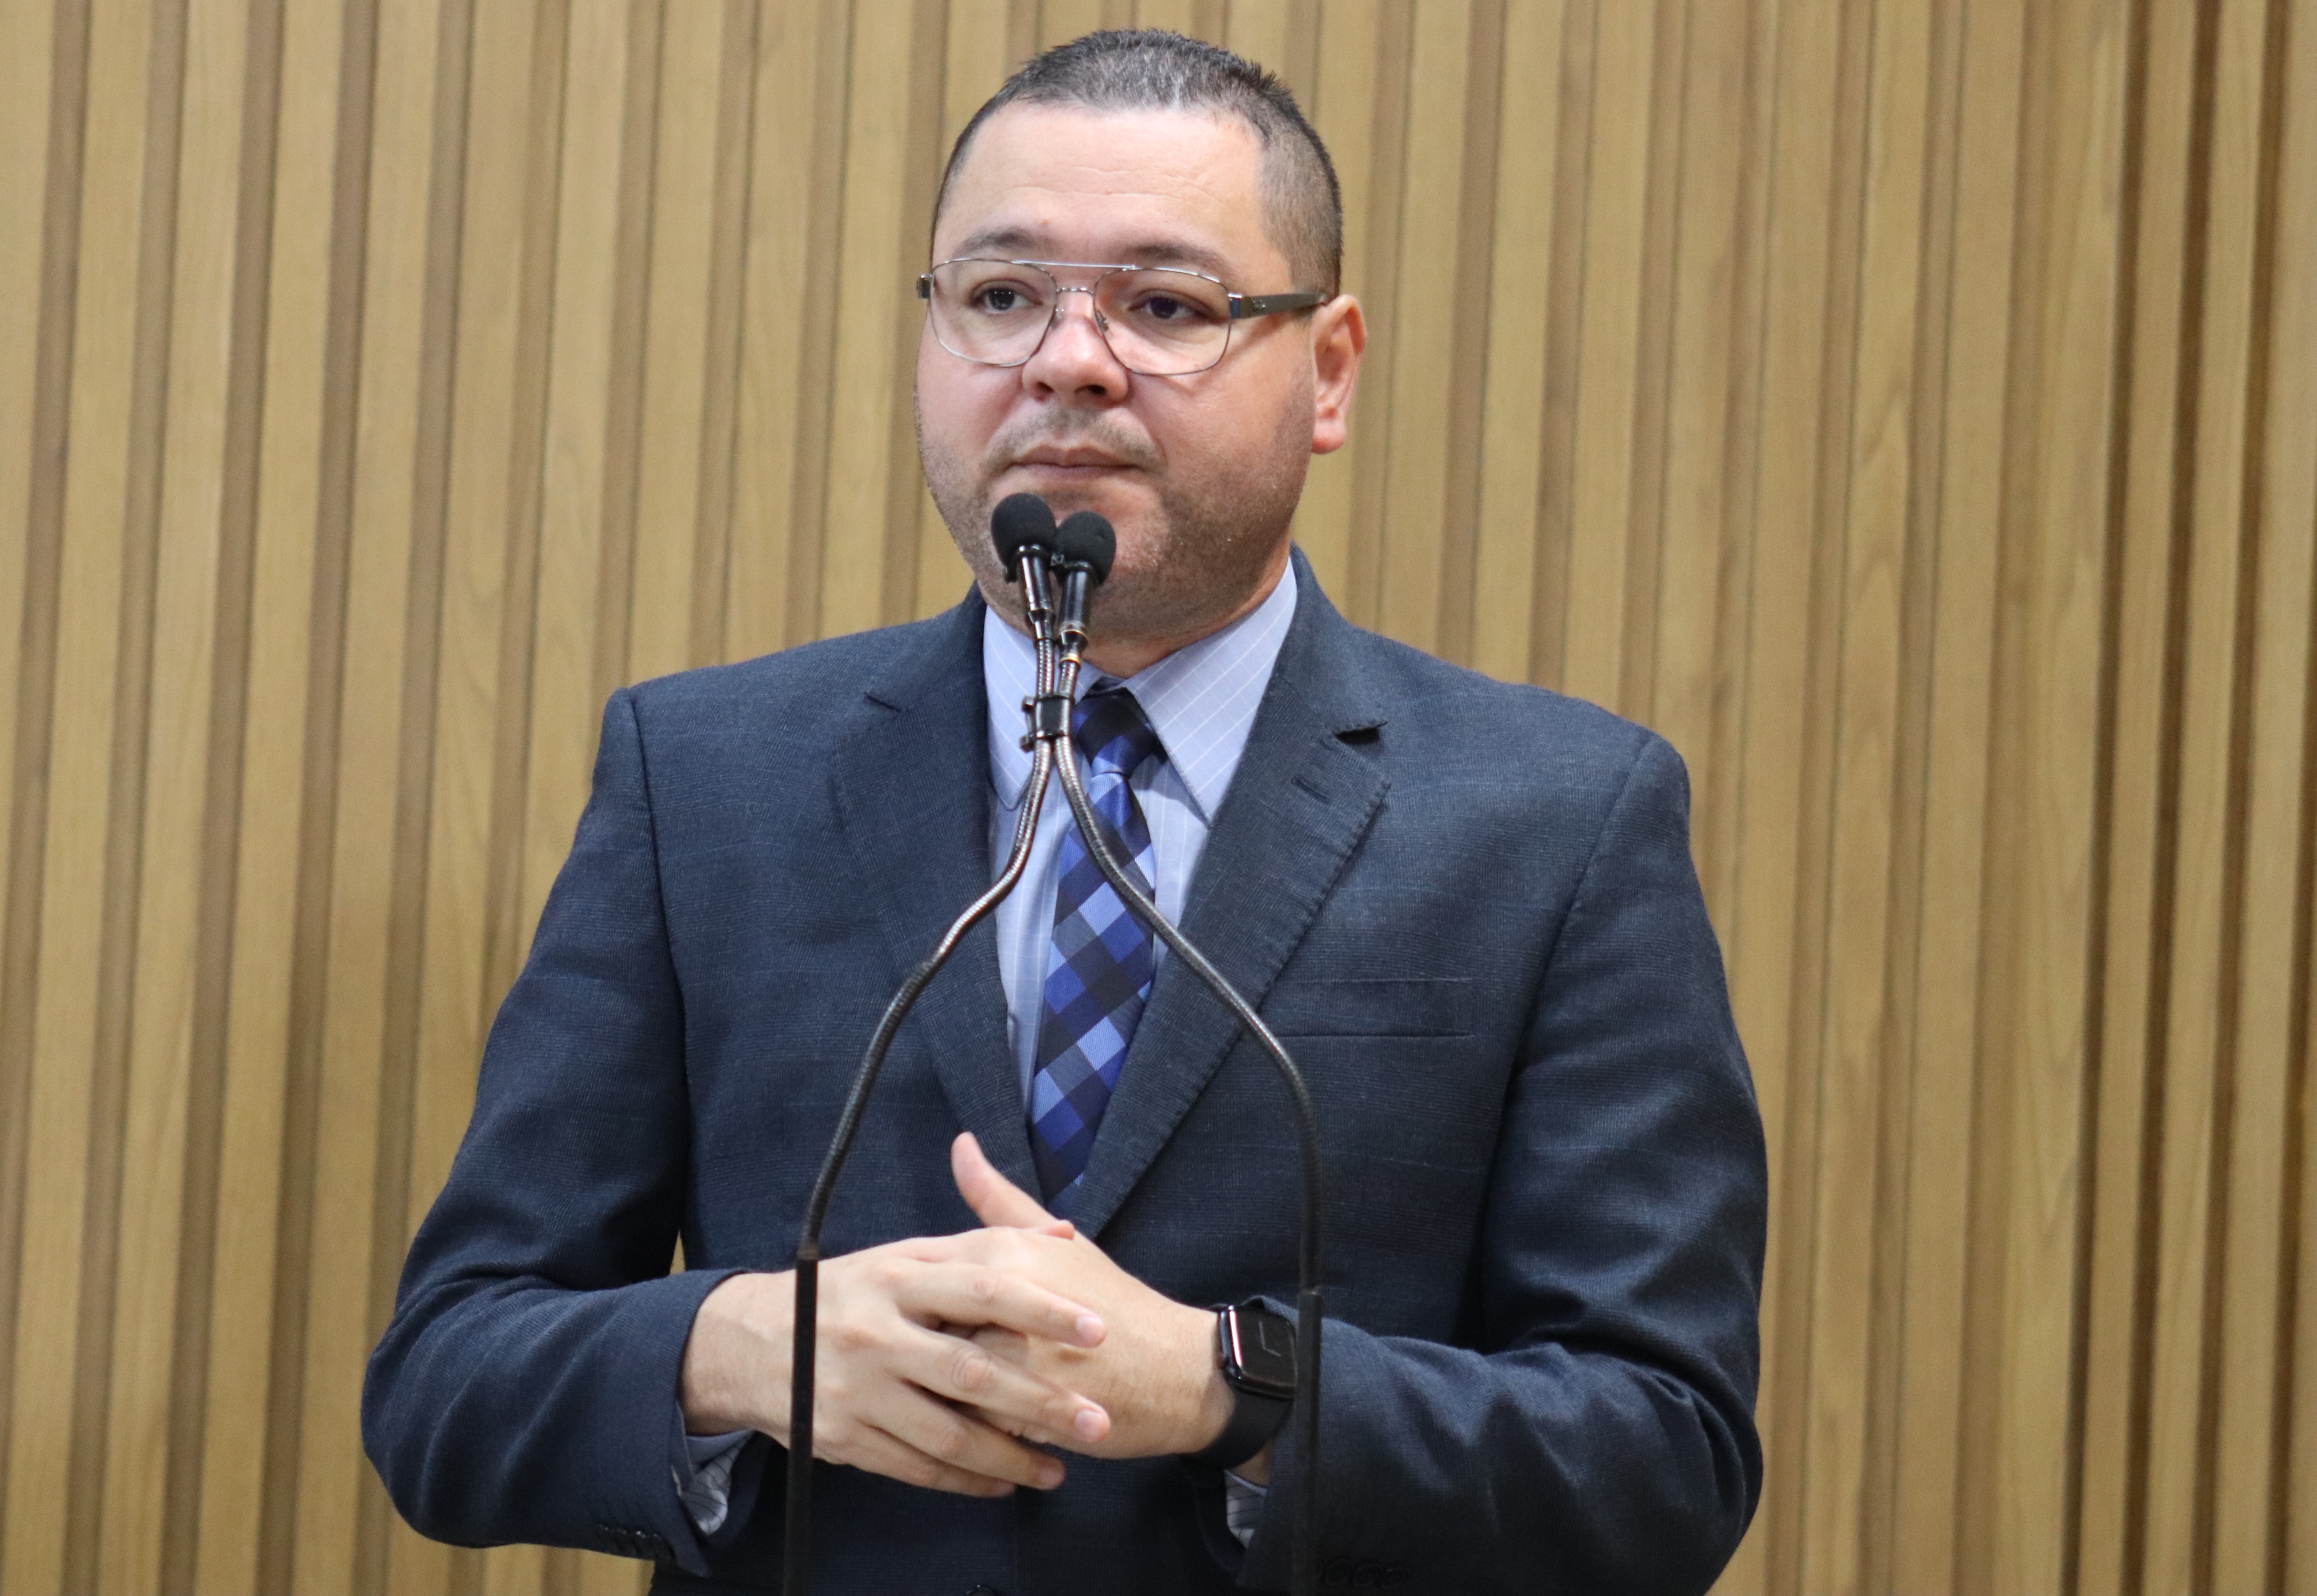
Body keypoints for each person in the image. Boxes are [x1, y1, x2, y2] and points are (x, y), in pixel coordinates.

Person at [364, 29, 1765, 1596]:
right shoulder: (703, 776)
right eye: (1001, 295)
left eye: (1165, 306)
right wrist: (740, 1344)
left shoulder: (1558, 820)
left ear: (1327, 371)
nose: (1068, 361)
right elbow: (448, 1383)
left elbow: (1665, 1457)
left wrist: (1234, 1388)